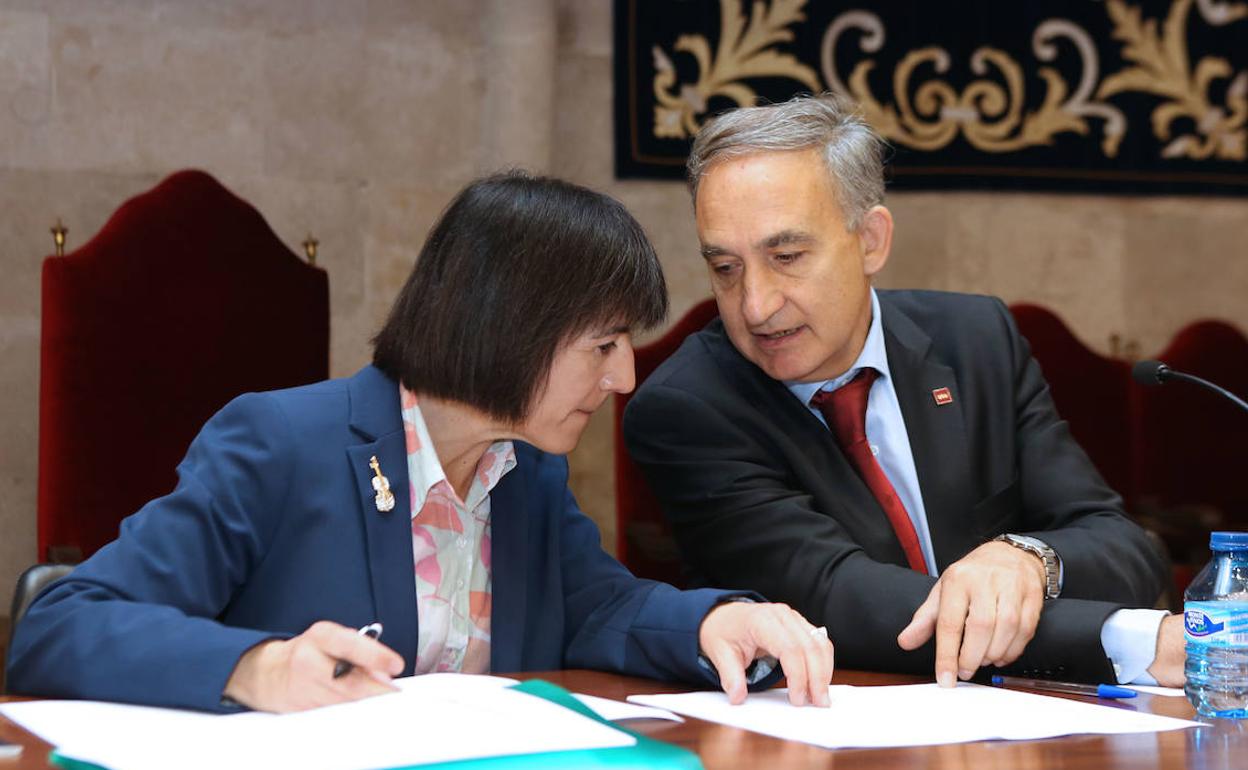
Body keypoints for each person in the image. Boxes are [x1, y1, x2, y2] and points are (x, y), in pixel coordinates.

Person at [7, 171, 835, 713]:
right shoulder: (278, 444)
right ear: (514, 329)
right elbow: (60, 627)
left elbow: (601, 608)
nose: (624, 378)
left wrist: (719, 622)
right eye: (604, 343)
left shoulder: (526, 472)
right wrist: (253, 667)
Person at [623, 93, 1186, 689]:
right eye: (726, 269)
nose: (756, 306)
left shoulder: (977, 341)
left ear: (871, 241)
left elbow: (1121, 544)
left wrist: (1027, 558)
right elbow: (837, 600)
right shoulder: (688, 408)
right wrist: (1134, 641)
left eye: (786, 256)